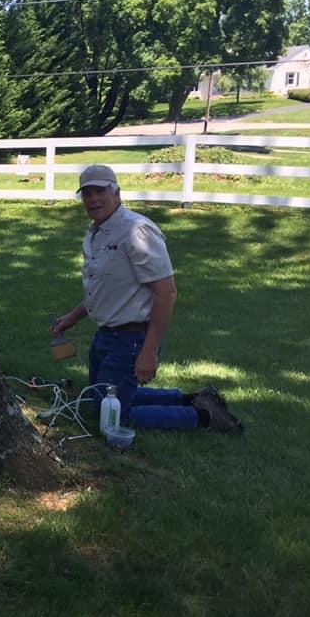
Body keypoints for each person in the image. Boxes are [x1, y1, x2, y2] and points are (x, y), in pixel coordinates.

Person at [52, 165, 242, 434]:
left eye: (100, 191)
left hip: (131, 339)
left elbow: (167, 292)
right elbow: (107, 291)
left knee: (117, 417)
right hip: (106, 335)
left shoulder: (136, 231)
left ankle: (202, 416)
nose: (93, 199)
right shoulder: (96, 234)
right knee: (99, 401)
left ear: (116, 193)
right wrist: (71, 318)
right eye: (87, 193)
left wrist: (149, 351)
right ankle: (189, 398)